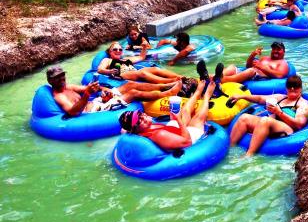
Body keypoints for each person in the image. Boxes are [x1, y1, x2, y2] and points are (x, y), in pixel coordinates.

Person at [46, 65, 182, 116]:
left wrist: (104, 91)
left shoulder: (68, 87)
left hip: (99, 101)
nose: (61, 79)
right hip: (94, 110)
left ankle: (164, 86)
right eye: (57, 78)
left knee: (129, 85)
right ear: (50, 81)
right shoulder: (59, 96)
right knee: (133, 93)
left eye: (62, 75)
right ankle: (168, 94)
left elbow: (88, 89)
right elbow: (73, 112)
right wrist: (88, 94)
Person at [119, 80, 216, 150]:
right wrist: (178, 120)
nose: (143, 117)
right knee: (199, 118)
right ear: (135, 128)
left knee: (185, 111)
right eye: (139, 120)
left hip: (173, 132)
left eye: (140, 114)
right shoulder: (159, 135)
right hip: (191, 136)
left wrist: (130, 127)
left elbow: (123, 130)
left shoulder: (141, 130)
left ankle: (197, 92)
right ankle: (207, 96)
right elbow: (187, 142)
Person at [229, 75, 308, 156]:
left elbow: (299, 124)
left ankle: (249, 155)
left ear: (301, 88)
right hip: (271, 123)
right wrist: (241, 96)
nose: (292, 88)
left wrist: (279, 112)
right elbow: (260, 98)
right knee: (244, 118)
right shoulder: (281, 97)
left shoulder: (303, 104)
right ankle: (230, 149)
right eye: (290, 86)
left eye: (296, 86)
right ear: (286, 88)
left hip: (287, 128)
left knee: (265, 120)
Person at [97, 42, 182, 84]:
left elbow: (141, 57)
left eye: (120, 49)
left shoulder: (126, 59)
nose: (118, 51)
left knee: (155, 69)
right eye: (115, 49)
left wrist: (144, 47)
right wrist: (109, 71)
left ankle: (182, 77)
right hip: (121, 75)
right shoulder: (107, 60)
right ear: (110, 52)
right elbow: (100, 69)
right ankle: (172, 81)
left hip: (134, 73)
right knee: (142, 72)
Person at [220, 41, 289, 84]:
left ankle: (223, 80)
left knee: (251, 71)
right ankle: (214, 76)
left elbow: (279, 75)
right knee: (232, 67)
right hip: (249, 72)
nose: (275, 51)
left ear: (284, 52)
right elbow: (248, 66)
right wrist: (252, 55)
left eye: (278, 49)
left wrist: (261, 67)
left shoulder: (282, 63)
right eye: (274, 49)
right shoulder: (265, 58)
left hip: (258, 77)